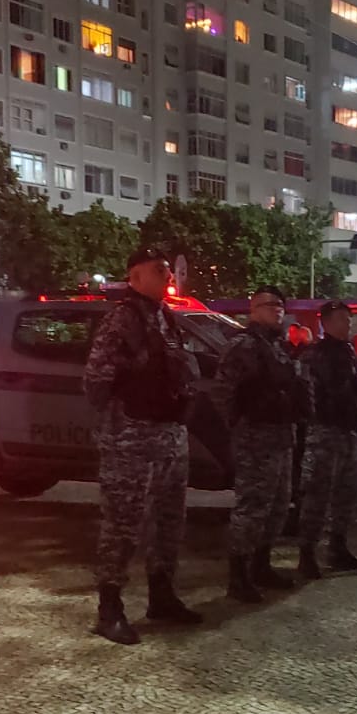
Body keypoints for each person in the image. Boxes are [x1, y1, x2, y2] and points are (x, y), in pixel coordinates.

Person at [82, 247, 202, 645]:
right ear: (134, 278)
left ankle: (162, 596)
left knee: (170, 522)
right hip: (132, 437)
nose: (168, 275)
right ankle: (109, 610)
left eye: (168, 269)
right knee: (123, 525)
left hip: (168, 435)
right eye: (158, 270)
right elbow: (96, 382)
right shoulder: (121, 321)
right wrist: (121, 422)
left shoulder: (165, 318)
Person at [215, 284, 311, 602]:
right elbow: (224, 392)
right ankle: (238, 576)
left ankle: (261, 565)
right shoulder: (242, 346)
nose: (278, 310)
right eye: (270, 305)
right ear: (253, 310)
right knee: (253, 507)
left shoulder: (280, 347)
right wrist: (239, 427)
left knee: (278, 505)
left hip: (282, 436)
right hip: (256, 438)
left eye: (281, 305)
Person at [297, 300, 357, 579]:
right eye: (340, 319)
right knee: (317, 495)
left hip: (346, 431)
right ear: (325, 323)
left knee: (347, 494)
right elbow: (309, 394)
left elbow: (356, 387)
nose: (347, 324)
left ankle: (337, 549)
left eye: (348, 319)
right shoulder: (314, 354)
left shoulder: (348, 351)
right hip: (324, 432)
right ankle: (307, 556)